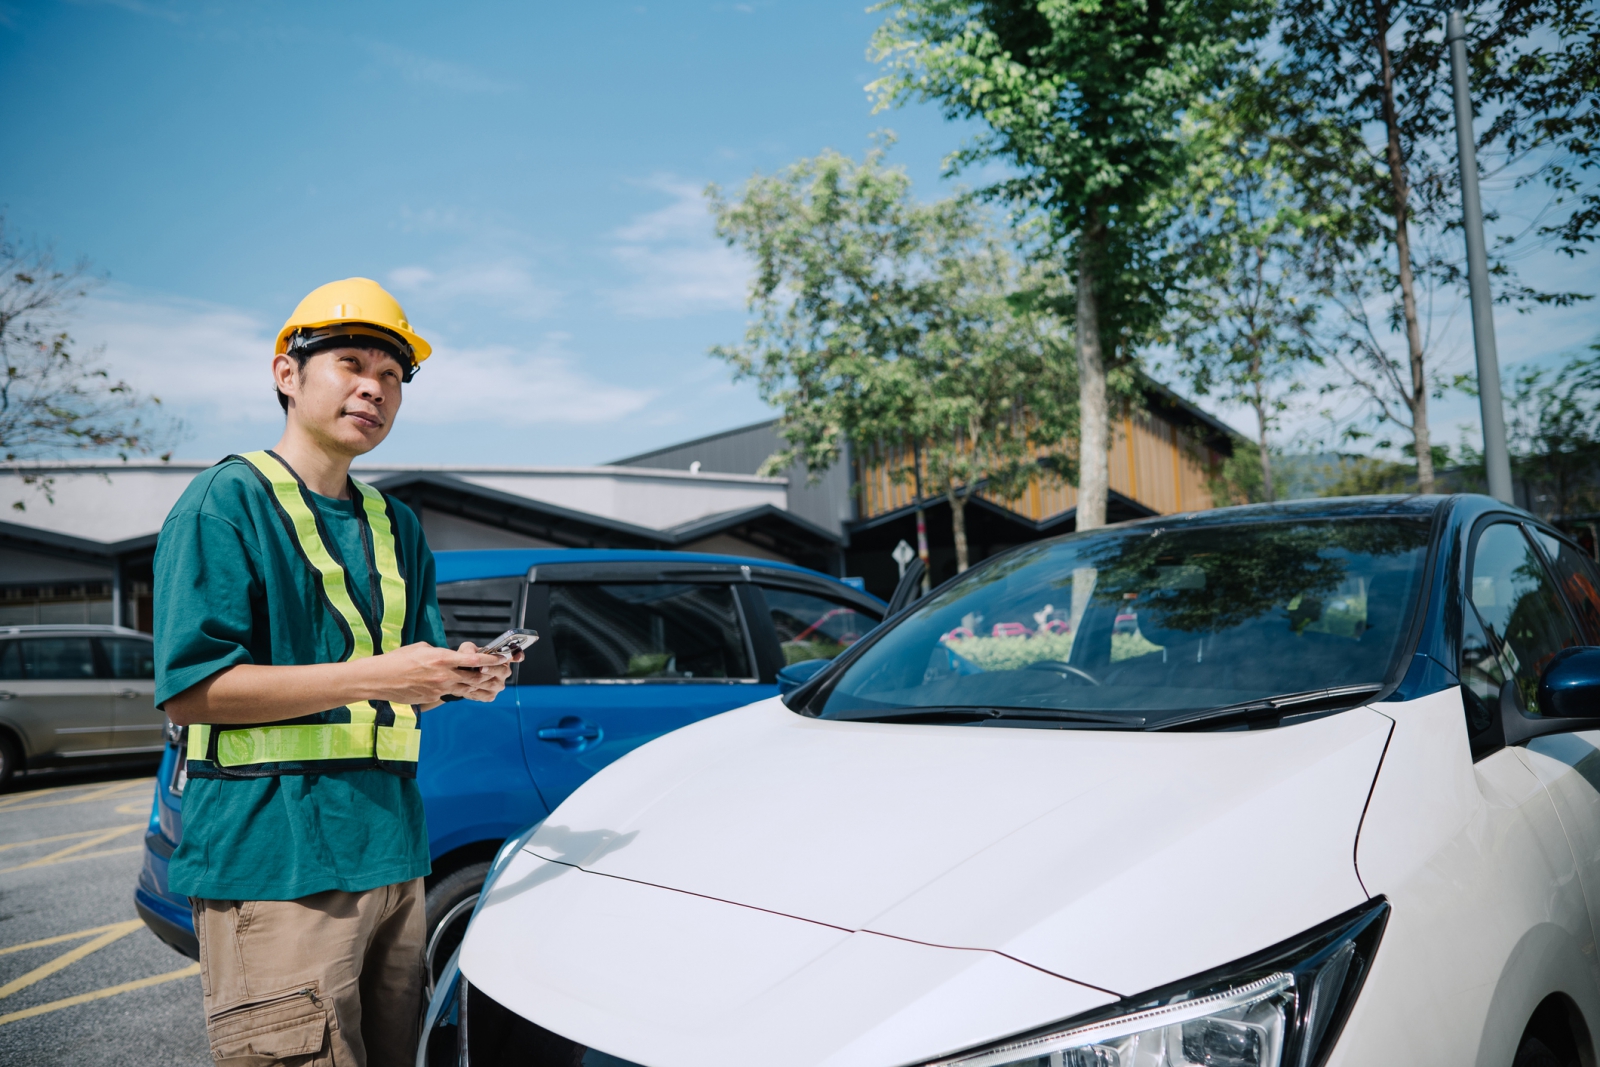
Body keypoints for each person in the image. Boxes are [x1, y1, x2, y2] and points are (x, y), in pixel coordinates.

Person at [155, 278, 519, 1067]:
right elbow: (191, 690)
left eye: (392, 376)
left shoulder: (397, 525)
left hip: (394, 854)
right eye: (351, 362)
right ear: (287, 373)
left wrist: (464, 675)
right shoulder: (226, 501)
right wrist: (380, 675)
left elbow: (407, 678)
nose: (374, 387)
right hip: (277, 861)